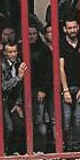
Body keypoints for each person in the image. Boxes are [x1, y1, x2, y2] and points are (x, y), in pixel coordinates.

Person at [0, 40, 26, 153]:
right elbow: (2, 86)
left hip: (10, 100)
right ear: (4, 53)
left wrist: (18, 102)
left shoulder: (18, 62)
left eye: (15, 51)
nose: (13, 54)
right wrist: (18, 77)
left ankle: (11, 151)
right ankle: (1, 152)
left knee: (19, 126)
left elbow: (20, 86)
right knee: (7, 127)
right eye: (10, 52)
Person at [59, 18, 80, 151]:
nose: (72, 30)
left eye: (74, 27)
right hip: (67, 87)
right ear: (65, 29)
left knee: (78, 118)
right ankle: (68, 147)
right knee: (67, 119)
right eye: (69, 28)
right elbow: (61, 68)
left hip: (79, 86)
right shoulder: (61, 44)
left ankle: (78, 146)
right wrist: (65, 90)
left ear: (78, 27)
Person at [27, 24, 53, 152]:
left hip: (42, 89)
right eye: (29, 34)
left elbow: (48, 71)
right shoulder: (22, 48)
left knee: (41, 119)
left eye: (34, 34)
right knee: (32, 120)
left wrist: (42, 89)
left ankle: (42, 148)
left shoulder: (44, 49)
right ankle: (33, 148)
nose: (31, 36)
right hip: (28, 90)